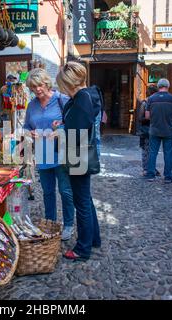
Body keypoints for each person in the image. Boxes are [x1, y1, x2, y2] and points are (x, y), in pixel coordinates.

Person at [56, 61, 101, 261]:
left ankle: (83, 248)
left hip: (78, 153)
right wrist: (64, 123)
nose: (61, 89)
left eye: (62, 84)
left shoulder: (82, 98)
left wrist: (59, 133)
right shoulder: (86, 95)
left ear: (69, 83)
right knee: (85, 199)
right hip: (80, 152)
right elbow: (78, 122)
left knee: (81, 201)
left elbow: (78, 131)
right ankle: (94, 238)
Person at [23, 68, 76, 241]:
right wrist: (30, 134)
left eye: (40, 85)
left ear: (47, 83)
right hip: (42, 153)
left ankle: (68, 224)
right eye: (33, 87)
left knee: (65, 190)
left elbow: (74, 124)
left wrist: (60, 129)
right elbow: (26, 127)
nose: (37, 89)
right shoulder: (32, 105)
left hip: (60, 152)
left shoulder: (62, 99)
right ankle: (51, 222)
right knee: (47, 192)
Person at [145, 78, 172, 183]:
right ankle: (168, 177)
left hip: (154, 130)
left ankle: (150, 175)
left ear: (158, 87)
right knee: (168, 154)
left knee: (152, 153)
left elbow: (147, 116)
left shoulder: (151, 99)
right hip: (168, 130)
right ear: (168, 86)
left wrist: (155, 118)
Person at [136, 85, 160, 176]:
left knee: (153, 151)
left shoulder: (156, 103)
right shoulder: (144, 103)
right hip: (146, 130)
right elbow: (140, 118)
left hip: (155, 130)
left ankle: (151, 168)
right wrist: (150, 118)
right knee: (146, 150)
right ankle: (146, 169)